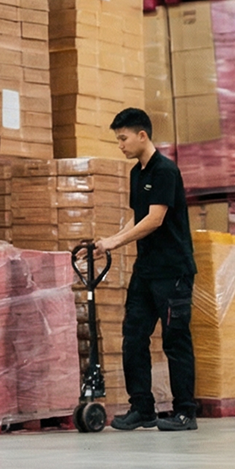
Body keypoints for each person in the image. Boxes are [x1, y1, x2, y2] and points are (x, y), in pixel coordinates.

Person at [94, 107, 198, 431]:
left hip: (173, 271)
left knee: (174, 340)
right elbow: (138, 217)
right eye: (117, 140)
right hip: (147, 270)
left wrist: (116, 242)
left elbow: (155, 219)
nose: (120, 145)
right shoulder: (136, 174)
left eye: (123, 138)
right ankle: (142, 408)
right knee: (133, 337)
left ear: (142, 135)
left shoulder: (165, 171)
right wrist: (111, 240)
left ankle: (185, 412)